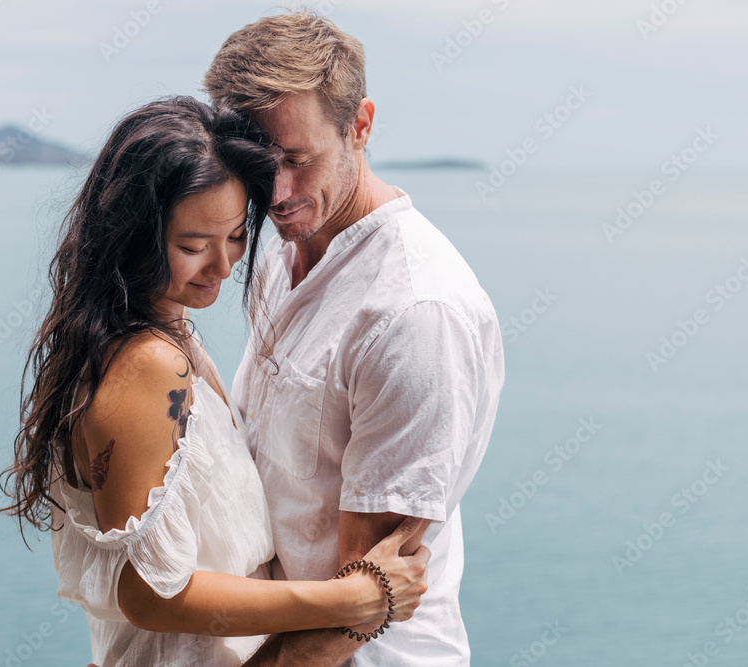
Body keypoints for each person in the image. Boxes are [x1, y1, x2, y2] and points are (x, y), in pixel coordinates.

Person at [0, 95, 430, 667]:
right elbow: (151, 591)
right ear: (131, 234)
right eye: (193, 246)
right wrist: (348, 600)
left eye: (235, 238)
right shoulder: (150, 365)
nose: (224, 267)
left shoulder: (158, 336)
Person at [204, 11, 506, 666]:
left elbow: (356, 609)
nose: (275, 192)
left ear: (360, 125)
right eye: (256, 165)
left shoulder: (412, 313)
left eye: (297, 159)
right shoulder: (283, 247)